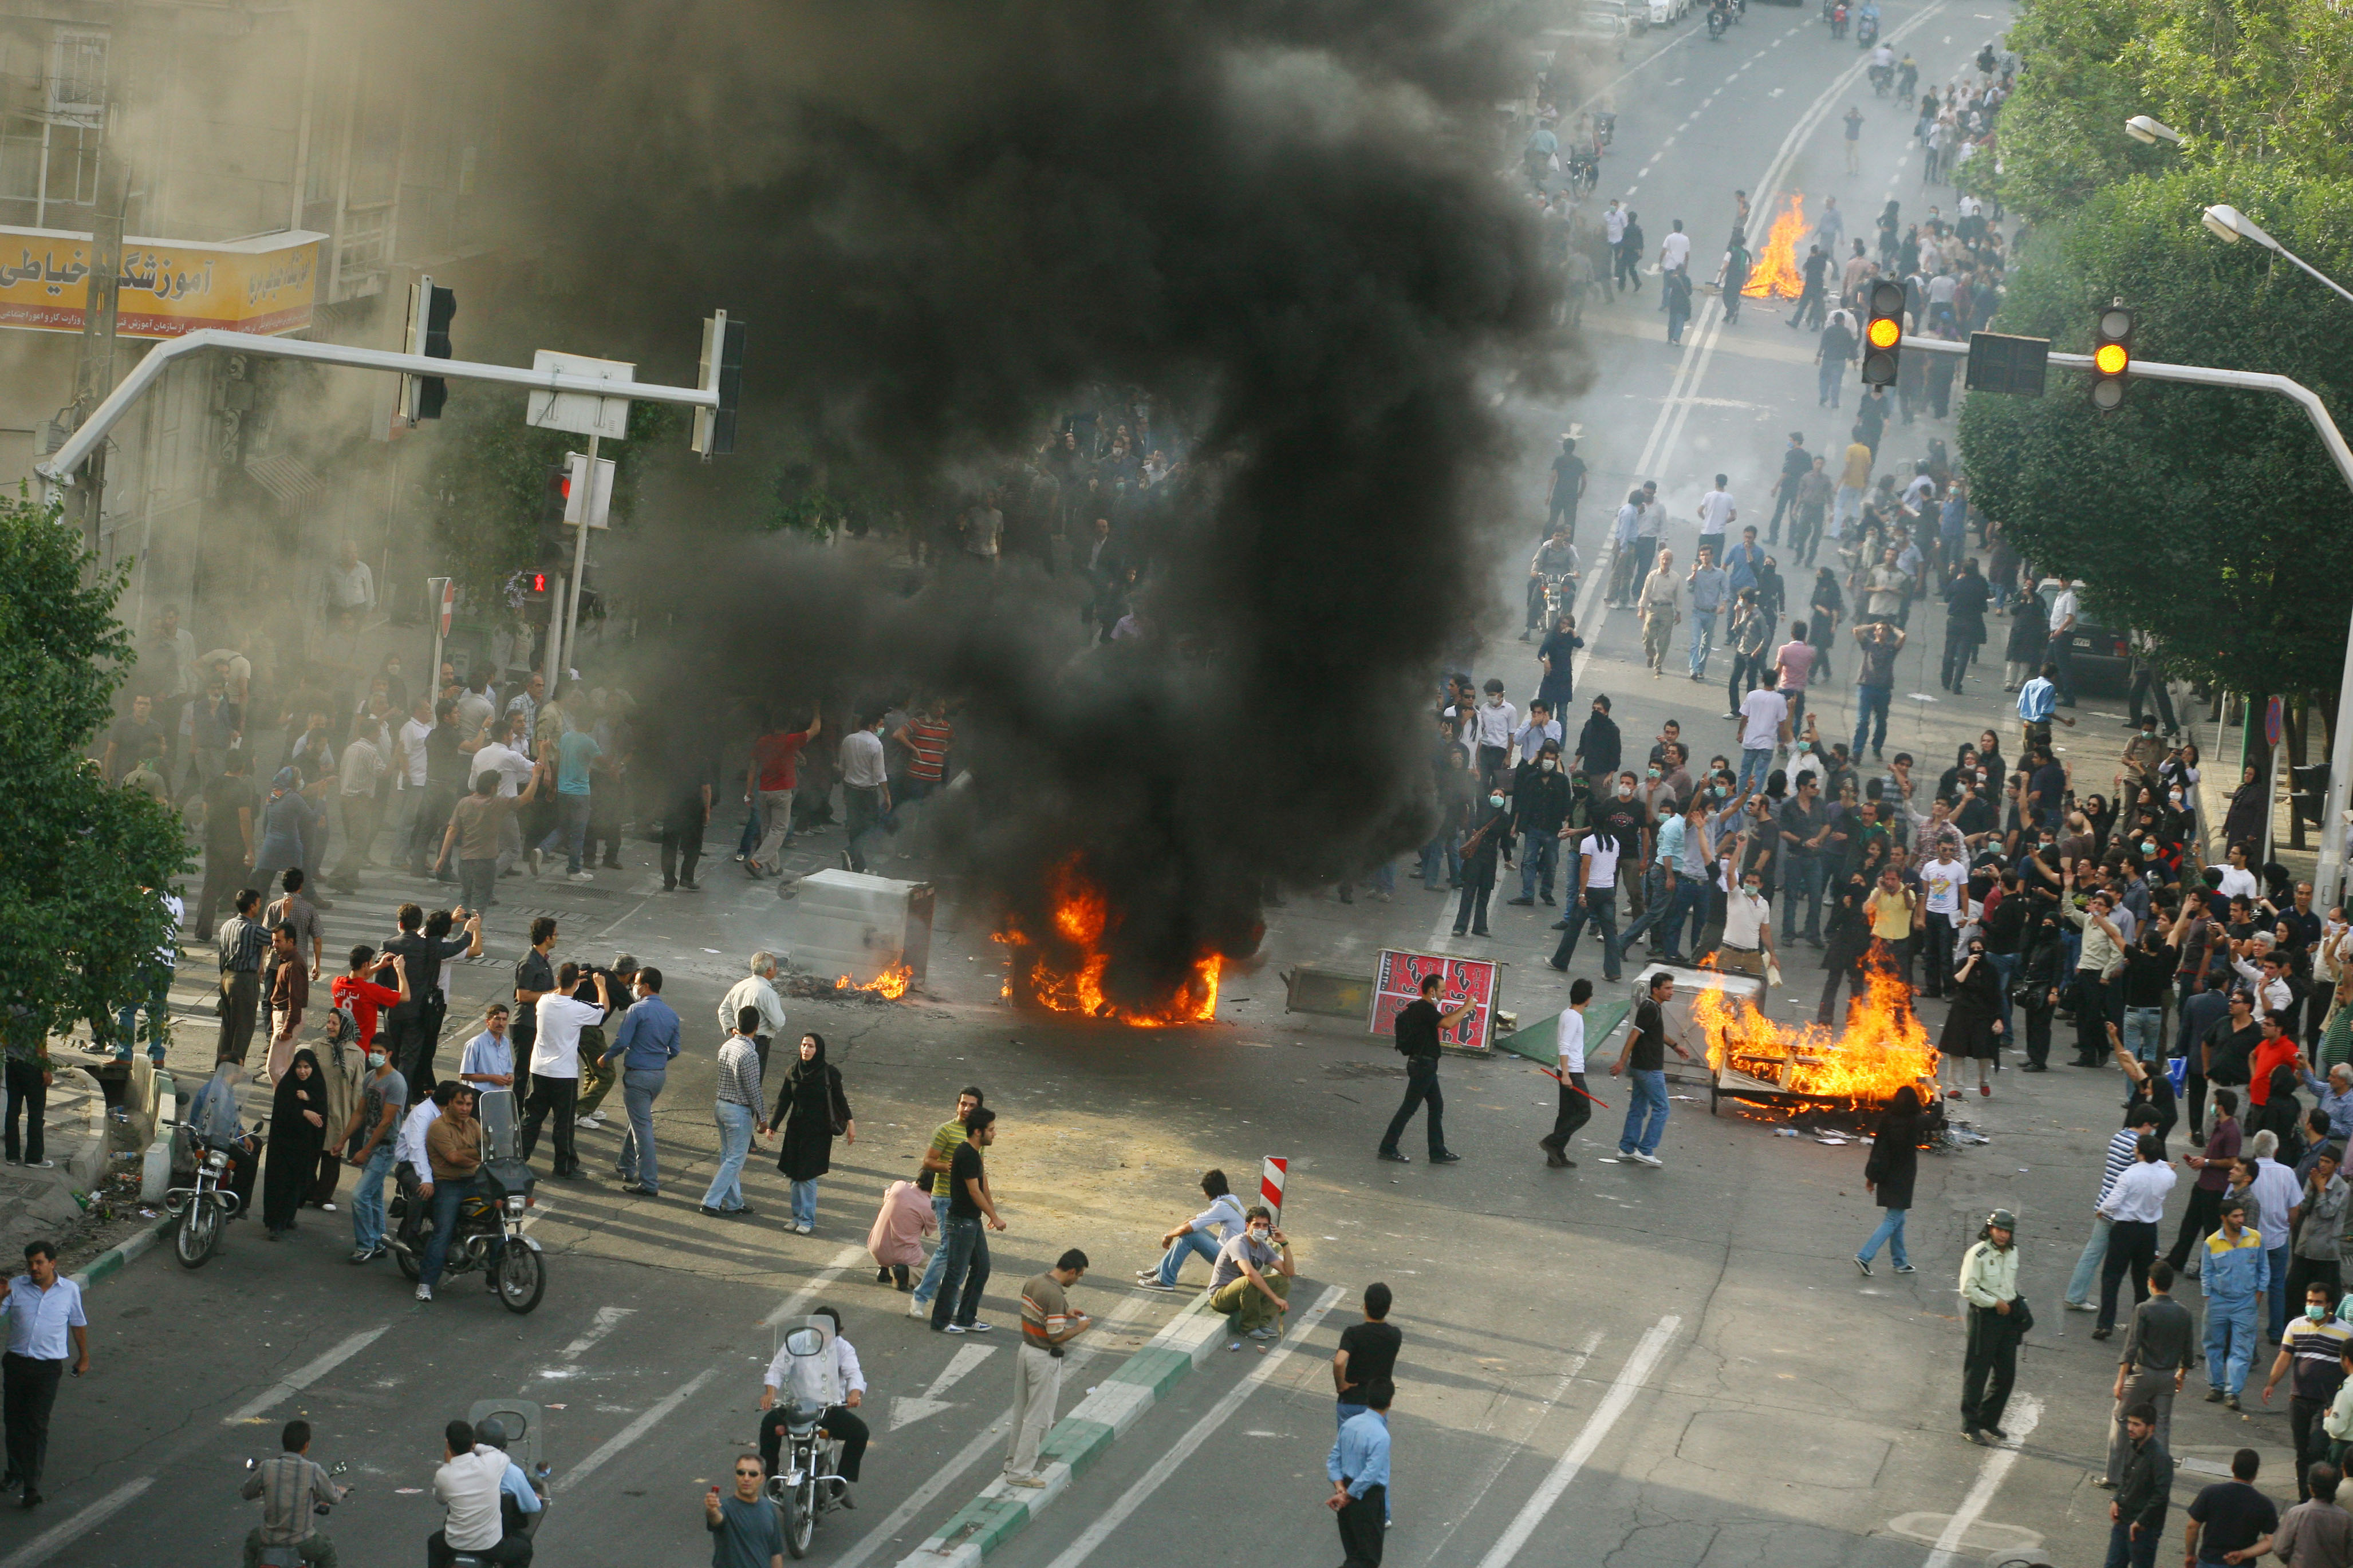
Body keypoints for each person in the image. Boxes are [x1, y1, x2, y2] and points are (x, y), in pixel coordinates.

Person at [0, 1241, 86, 1508]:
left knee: (36, 1425)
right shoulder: (16, 1286)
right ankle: (14, 1473)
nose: (33, 1268)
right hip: (16, 1364)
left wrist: (84, 1357)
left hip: (47, 1369)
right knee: (14, 1422)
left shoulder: (69, 1290)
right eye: (30, 1263)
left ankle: (32, 1485)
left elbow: (78, 1323)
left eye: (39, 1262)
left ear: (52, 1263)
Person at [1002, 1250, 1094, 1486]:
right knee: (1038, 1419)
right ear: (1071, 1271)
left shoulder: (1035, 1281)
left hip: (1026, 1350)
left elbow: (1042, 1315)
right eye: (1079, 1275)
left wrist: (1065, 1313)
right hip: (1043, 1358)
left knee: (1021, 1412)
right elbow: (1056, 1335)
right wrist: (1079, 1329)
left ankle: (1012, 1462)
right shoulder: (1054, 1294)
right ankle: (1021, 1473)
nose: (1078, 1280)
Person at [756, 1305, 868, 1497]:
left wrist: (854, 1395)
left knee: (860, 1433)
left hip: (828, 1409)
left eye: (827, 1334)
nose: (821, 1338)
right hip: (797, 1407)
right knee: (768, 1426)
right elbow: (777, 1369)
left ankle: (841, 1483)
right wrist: (770, 1393)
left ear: (837, 1333)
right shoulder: (795, 1342)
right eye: (817, 1332)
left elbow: (854, 1374)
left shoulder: (844, 1348)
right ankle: (771, 1479)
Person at [519, 963, 608, 1179]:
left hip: (539, 1069)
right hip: (563, 1074)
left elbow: (554, 993)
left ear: (558, 978)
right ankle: (565, 1165)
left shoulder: (544, 1001)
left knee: (532, 1118)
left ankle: (519, 1158)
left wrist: (567, 981)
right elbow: (603, 1009)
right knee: (563, 1122)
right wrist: (601, 986)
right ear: (577, 983)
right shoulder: (577, 1008)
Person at [2109, 1260, 2192, 1490]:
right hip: (2167, 1378)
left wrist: (2120, 1379)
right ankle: (2159, 1480)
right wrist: (2181, 1374)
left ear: (2151, 1283)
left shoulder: (2144, 1309)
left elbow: (2132, 1346)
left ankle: (2114, 1476)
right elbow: (2188, 1352)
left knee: (2122, 1418)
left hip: (2142, 1375)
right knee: (2161, 1428)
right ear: (2171, 1284)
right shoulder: (2183, 1313)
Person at [602, 966, 681, 1198]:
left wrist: (606, 1056)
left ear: (645, 987)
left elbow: (622, 1040)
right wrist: (657, 1059)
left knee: (642, 1128)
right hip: (658, 1075)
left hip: (638, 1074)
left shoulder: (637, 1010)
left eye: (636, 983)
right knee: (638, 1119)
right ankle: (626, 1165)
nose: (633, 987)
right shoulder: (671, 1014)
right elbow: (675, 1050)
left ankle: (649, 1182)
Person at [909, 1087, 986, 1318]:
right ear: (957, 1105)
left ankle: (949, 1301)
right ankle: (920, 1298)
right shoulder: (945, 1131)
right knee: (949, 1249)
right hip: (945, 1198)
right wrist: (948, 1168)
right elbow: (928, 1161)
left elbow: (980, 1172)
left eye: (972, 1106)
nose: (966, 1109)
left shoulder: (979, 1134)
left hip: (968, 1202)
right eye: (963, 1104)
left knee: (964, 1254)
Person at [1380, 973, 1471, 1164]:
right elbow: (1447, 1024)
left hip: (1424, 1064)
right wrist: (1468, 1008)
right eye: (1443, 991)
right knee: (1409, 1108)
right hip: (1423, 1065)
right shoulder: (1424, 1008)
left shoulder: (1422, 1009)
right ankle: (1388, 1147)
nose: (1445, 994)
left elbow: (1444, 1018)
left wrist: (1463, 1008)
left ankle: (1437, 1151)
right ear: (1432, 991)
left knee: (1436, 1106)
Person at [417, 1086, 497, 1304]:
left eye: (469, 1104)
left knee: (497, 1224)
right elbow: (453, 1157)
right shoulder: (438, 1127)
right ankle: (426, 1283)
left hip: (473, 1181)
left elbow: (487, 1147)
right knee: (444, 1230)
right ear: (450, 1103)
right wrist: (476, 1158)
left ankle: (496, 1279)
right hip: (448, 1183)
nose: (464, 1109)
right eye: (460, 1103)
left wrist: (477, 1155)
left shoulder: (473, 1124)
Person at [2096, 1133, 2178, 1340]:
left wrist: (2102, 1210)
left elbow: (2113, 1203)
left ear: (2139, 1152)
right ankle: (2139, 1324)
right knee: (2143, 1280)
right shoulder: (2167, 1176)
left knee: (2112, 1277)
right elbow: (2165, 1170)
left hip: (2125, 1229)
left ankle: (2105, 1323)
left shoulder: (2129, 1175)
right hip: (2149, 1231)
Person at [931, 1107, 1004, 1334]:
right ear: (977, 1132)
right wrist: (994, 1216)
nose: (995, 1134)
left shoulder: (975, 1153)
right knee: (955, 1272)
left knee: (982, 1267)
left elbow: (983, 1185)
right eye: (991, 1130)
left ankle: (966, 1317)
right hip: (962, 1222)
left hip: (972, 1221)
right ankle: (941, 1321)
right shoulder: (966, 1154)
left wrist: (991, 1211)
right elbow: (974, 1191)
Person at [773, 1032, 855, 1235]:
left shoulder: (829, 1073)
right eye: (803, 1045)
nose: (806, 1050)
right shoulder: (793, 1071)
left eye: (810, 1046)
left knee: (808, 1176)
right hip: (796, 1130)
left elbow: (840, 1099)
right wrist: (773, 1125)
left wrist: (851, 1123)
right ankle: (796, 1217)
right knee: (793, 1174)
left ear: (818, 1050)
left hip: (818, 1132)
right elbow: (784, 1100)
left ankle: (807, 1220)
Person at [1613, 971, 1695, 1168]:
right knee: (1662, 1108)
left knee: (1638, 1108)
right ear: (1656, 990)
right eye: (1667, 988)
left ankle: (1626, 1149)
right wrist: (1621, 1062)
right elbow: (1634, 1035)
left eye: (1672, 988)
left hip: (1642, 1067)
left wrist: (1675, 1046)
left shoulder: (1654, 1008)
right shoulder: (1650, 1008)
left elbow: (1657, 1033)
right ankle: (1645, 1150)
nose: (1671, 992)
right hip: (1649, 1068)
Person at [241, 1417, 344, 1568]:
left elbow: (247, 1493)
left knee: (251, 1544)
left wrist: (263, 1491)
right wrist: (342, 1491)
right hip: (303, 1542)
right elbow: (334, 1497)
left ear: (284, 1443)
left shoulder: (266, 1467)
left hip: (268, 1539)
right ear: (306, 1445)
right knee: (327, 1549)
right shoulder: (312, 1470)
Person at [1959, 1208, 2024, 1444]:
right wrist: (1994, 1302)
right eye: (1998, 1230)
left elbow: (2009, 1284)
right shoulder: (1978, 1254)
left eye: (2007, 1231)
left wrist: (2015, 1304)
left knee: (2006, 1374)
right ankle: (1969, 1425)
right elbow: (1968, 1289)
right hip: (1985, 1316)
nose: (2003, 1235)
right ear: (1989, 1229)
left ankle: (1987, 1419)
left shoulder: (2014, 1252)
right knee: (1977, 1372)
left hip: (2007, 1317)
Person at [430, 1420, 526, 1568]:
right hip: (489, 1546)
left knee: (434, 1543)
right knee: (525, 1550)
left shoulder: (444, 1475)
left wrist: (448, 1464)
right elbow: (499, 1454)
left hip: (455, 1544)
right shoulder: (490, 1464)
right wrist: (476, 1446)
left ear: (448, 1444)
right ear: (472, 1441)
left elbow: (440, 1499)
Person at [2202, 1196, 2268, 1410]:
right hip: (2218, 1301)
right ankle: (2216, 1386)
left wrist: (2258, 1295)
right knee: (2214, 1345)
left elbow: (2263, 1269)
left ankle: (2233, 1393)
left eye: (2242, 1215)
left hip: (2245, 1302)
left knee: (2242, 1349)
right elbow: (2207, 1273)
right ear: (2224, 1218)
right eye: (2236, 1216)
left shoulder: (2256, 1238)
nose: (2241, 1219)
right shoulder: (2212, 1242)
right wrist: (2209, 1299)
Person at [703, 1008, 767, 1219]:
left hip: (721, 1105)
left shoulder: (727, 1045)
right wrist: (763, 1118)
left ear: (738, 1024)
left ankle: (734, 1203)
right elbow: (753, 1089)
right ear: (757, 1027)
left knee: (727, 1157)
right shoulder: (750, 1054)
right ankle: (711, 1201)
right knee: (735, 1160)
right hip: (738, 1112)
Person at [261, 1049, 332, 1240]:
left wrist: (309, 1100)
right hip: (283, 1146)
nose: (302, 1071)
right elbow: (281, 1112)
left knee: (298, 1182)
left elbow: (322, 1112)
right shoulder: (287, 1086)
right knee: (280, 1183)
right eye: (299, 1067)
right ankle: (275, 1223)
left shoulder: (317, 1085)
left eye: (307, 1067)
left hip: (305, 1147)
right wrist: (303, 1112)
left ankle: (288, 1216)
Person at [1140, 1170, 1247, 1290]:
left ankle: (1165, 1280)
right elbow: (1196, 1219)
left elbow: (1188, 1228)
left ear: (1206, 1192)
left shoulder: (1222, 1207)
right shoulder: (1231, 1199)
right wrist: (1171, 1233)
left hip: (1233, 1263)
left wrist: (1168, 1236)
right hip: (1237, 1254)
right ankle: (1161, 1269)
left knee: (1190, 1236)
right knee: (1196, 1231)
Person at [1326, 1379, 1394, 1568]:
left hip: (1347, 1491)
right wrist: (1348, 1496)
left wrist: (1340, 1488)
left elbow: (1334, 1459)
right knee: (1367, 1560)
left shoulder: (1350, 1424)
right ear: (1390, 1402)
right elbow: (1371, 1473)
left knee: (1354, 1553)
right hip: (1368, 1499)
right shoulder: (1381, 1435)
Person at [1857, 1084, 1923, 1275]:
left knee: (1898, 1219)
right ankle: (1864, 1256)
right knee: (1893, 1219)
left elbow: (1877, 1149)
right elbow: (1936, 1117)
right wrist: (1935, 1091)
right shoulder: (1914, 1122)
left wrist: (1871, 1177)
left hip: (1886, 1176)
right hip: (1902, 1179)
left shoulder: (1887, 1119)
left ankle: (1900, 1262)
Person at [1209, 1205, 1295, 1343]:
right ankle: (1248, 1327)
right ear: (1248, 1225)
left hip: (1244, 1294)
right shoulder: (1238, 1243)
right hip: (1221, 1296)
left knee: (1282, 1281)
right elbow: (1249, 1273)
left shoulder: (1263, 1247)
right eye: (1257, 1225)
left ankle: (1262, 1322)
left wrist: (1285, 1244)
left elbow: (1289, 1272)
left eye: (1265, 1226)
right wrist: (1275, 1298)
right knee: (1251, 1280)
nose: (1261, 1229)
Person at [1538, 979, 1597, 1169]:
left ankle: (1556, 1155)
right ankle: (1553, 1142)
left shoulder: (1568, 1014)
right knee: (1583, 1112)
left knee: (1566, 1114)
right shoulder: (1573, 1017)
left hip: (1568, 1069)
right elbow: (1564, 1045)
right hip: (1572, 1071)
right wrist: (1566, 1074)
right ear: (1587, 998)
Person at [2182, 1449, 2277, 1568]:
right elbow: (2271, 1541)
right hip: (2243, 1564)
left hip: (2210, 1560)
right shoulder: (2264, 1504)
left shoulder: (2211, 1493)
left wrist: (2190, 1555)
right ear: (2256, 1473)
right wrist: (2244, 1554)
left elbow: (2192, 1527)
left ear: (2232, 1468)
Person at [2107, 1405, 2171, 1568]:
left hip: (2143, 1530)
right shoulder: (2133, 1446)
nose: (2130, 1428)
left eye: (2137, 1425)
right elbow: (2126, 1478)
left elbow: (2161, 1495)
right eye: (2130, 1423)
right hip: (2123, 1521)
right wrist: (2116, 1499)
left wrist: (2140, 1521)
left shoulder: (2161, 1459)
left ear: (2150, 1428)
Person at [705, 1453, 786, 1568]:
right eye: (741, 1473)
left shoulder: (768, 1507)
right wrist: (712, 1510)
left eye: (753, 1474)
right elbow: (716, 1519)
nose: (746, 1478)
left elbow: (776, 1553)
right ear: (736, 1476)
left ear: (762, 1478)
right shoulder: (725, 1508)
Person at [720, 954, 789, 1081]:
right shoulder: (767, 992)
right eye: (775, 967)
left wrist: (732, 1028)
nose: (776, 970)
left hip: (737, 1038)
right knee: (752, 1082)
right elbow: (778, 1022)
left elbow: (723, 1010)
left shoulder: (740, 986)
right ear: (769, 970)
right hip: (758, 1042)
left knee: (733, 1080)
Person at [2273, 1464, 2352, 1568]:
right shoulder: (2346, 1519)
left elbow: (2281, 1549)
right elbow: (2350, 1555)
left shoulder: (2296, 1513)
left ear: (2311, 1488)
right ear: (2335, 1487)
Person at [867, 1179, 933, 1289]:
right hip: (902, 1255)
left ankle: (884, 1269)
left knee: (891, 1228)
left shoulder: (899, 1186)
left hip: (876, 1248)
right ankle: (905, 1273)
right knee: (938, 1272)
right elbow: (929, 1231)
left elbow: (886, 1199)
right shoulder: (929, 1207)